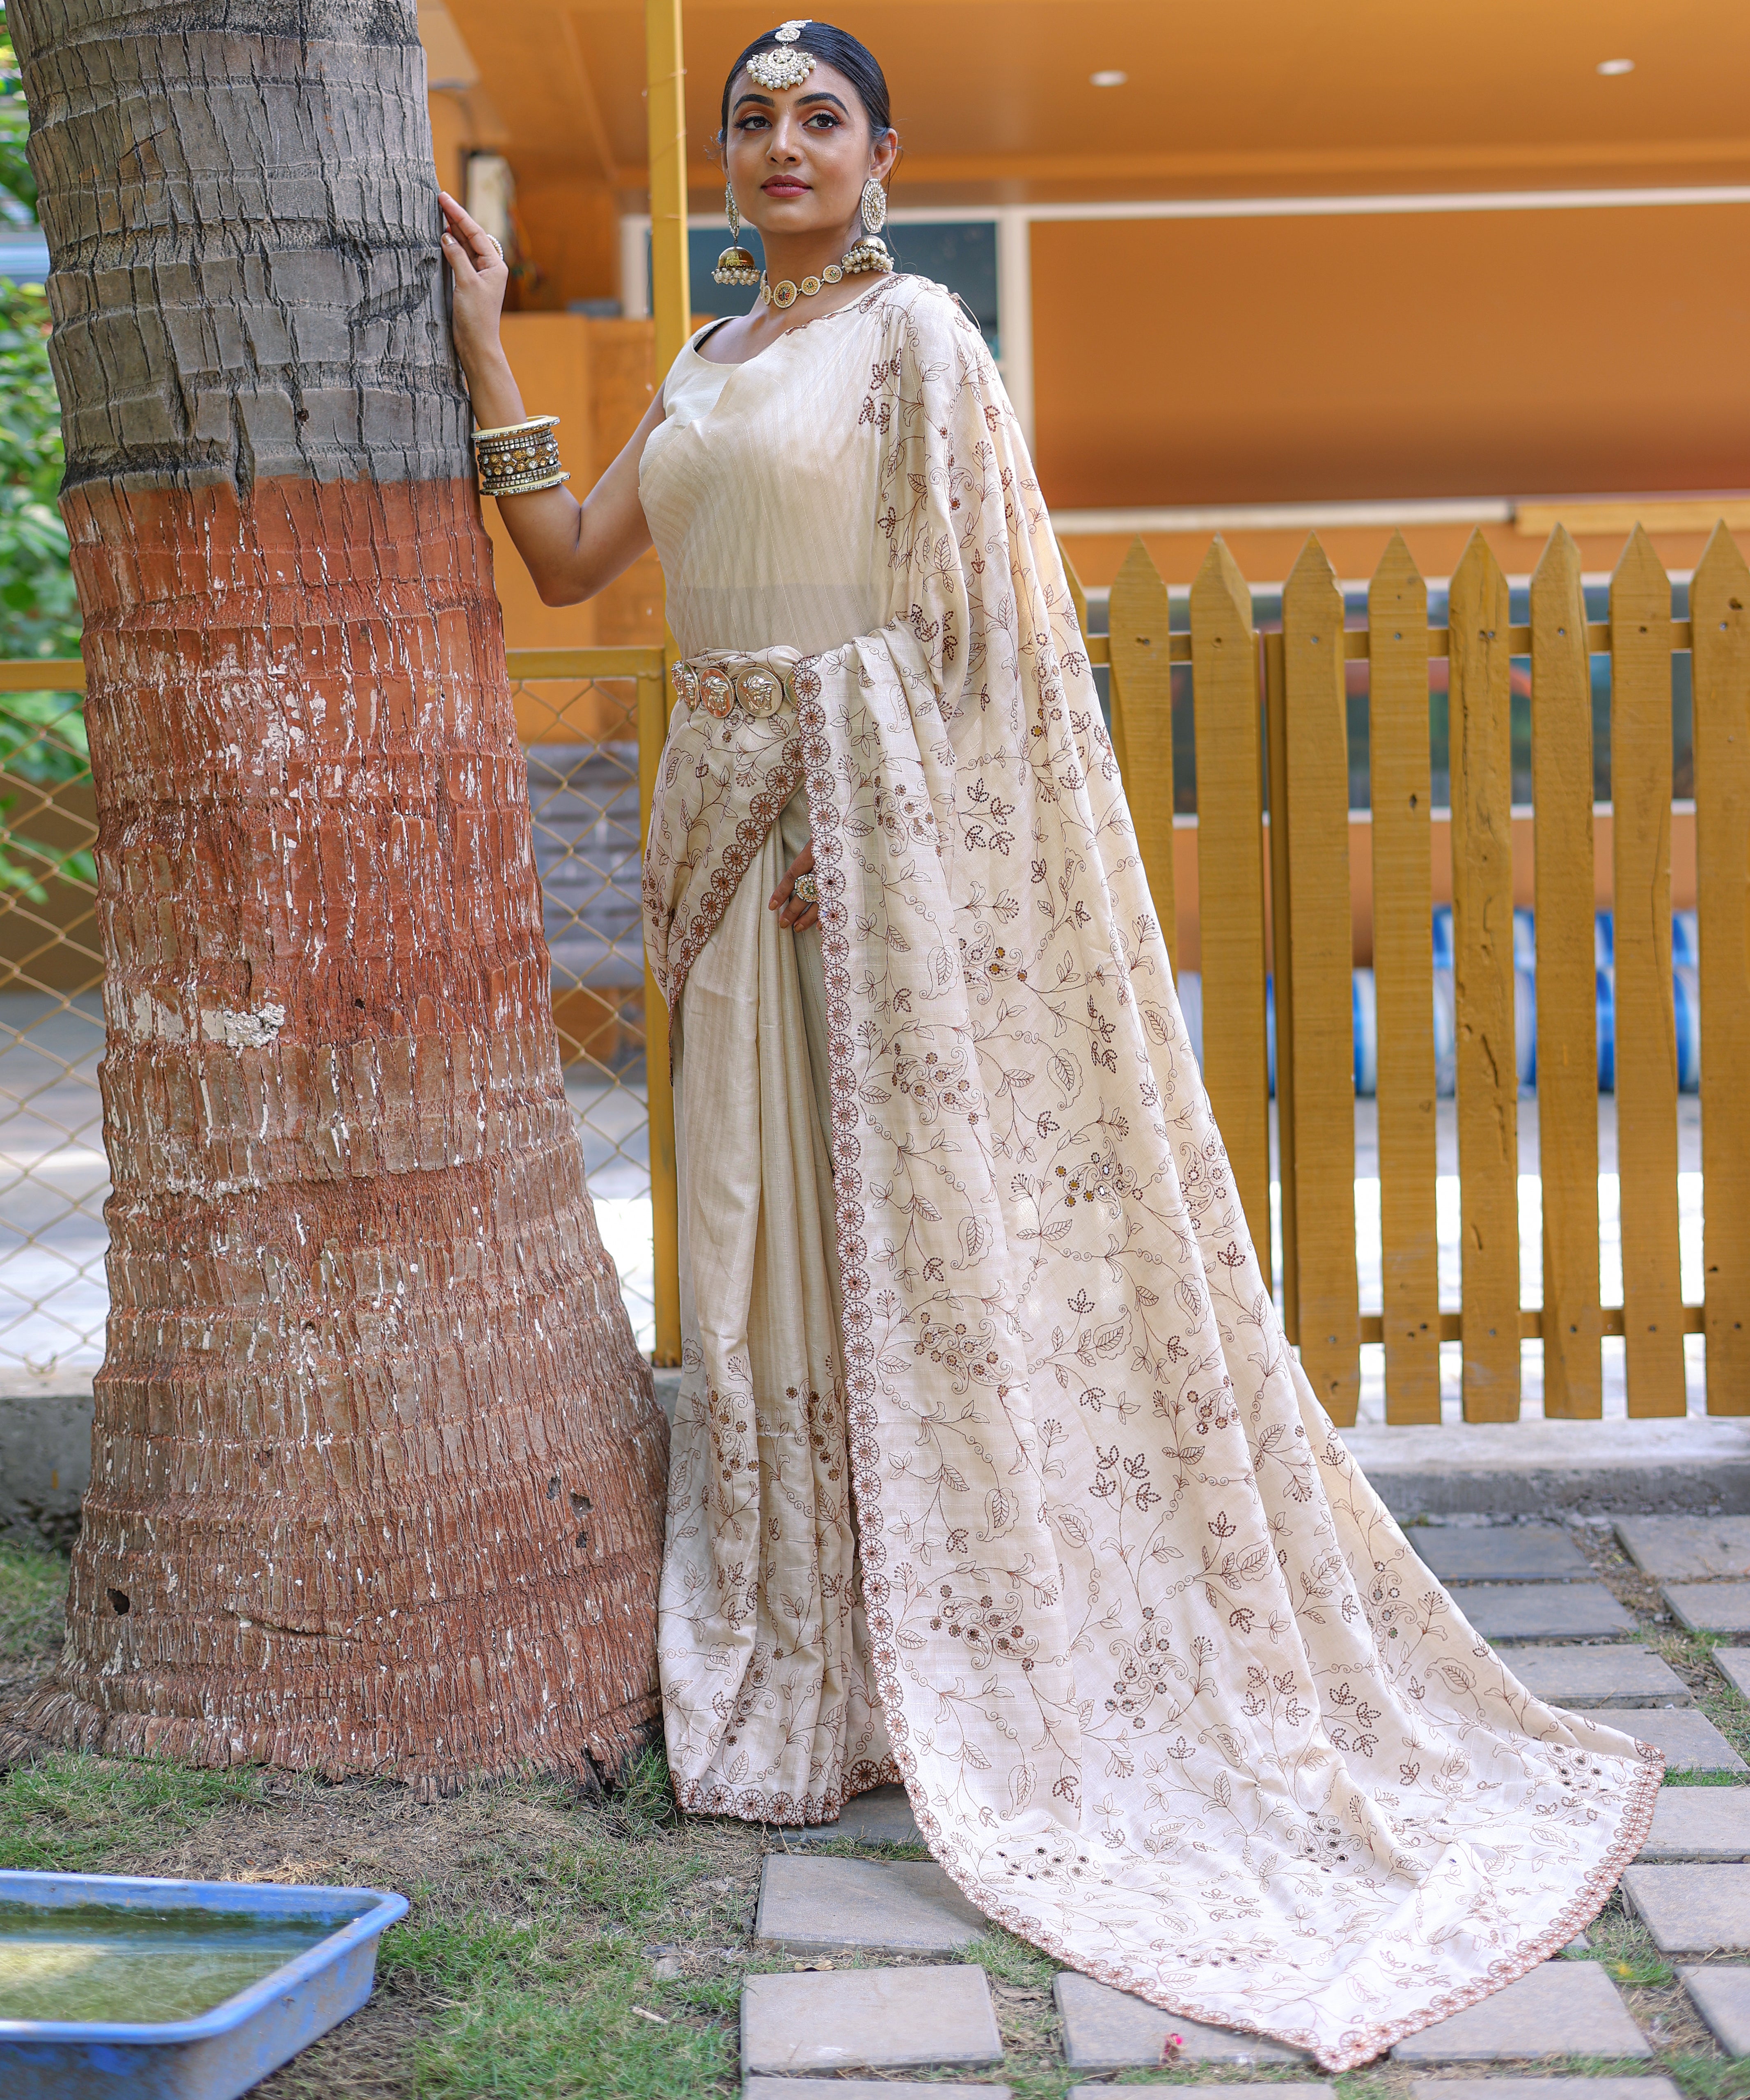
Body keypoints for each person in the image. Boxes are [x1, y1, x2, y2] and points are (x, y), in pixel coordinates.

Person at [440, 20, 1658, 2069]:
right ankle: (812, 1669)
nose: (778, 143)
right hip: (727, 866)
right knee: (749, 1242)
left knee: (902, 1245)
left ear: (884, 153)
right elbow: (571, 564)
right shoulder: (707, 366)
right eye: (750, 118)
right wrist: (487, 338)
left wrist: (877, 825)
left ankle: (974, 1656)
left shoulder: (919, 346)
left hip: (862, 866)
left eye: (818, 115)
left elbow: (981, 638)